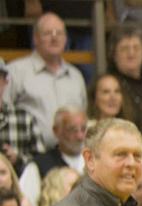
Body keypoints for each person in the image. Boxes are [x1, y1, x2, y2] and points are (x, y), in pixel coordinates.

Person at [7, 13, 86, 150]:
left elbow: (83, 116)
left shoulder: (75, 76)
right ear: (35, 38)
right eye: (47, 33)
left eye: (59, 33)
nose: (54, 38)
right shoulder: (15, 72)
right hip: (28, 155)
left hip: (70, 157)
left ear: (66, 39)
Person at [19, 105, 84, 206]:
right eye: (73, 130)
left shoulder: (96, 161)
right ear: (56, 131)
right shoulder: (39, 165)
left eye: (83, 129)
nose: (80, 136)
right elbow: (26, 205)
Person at [0, 57, 43, 174]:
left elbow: (42, 161)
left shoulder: (25, 118)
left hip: (18, 186)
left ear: (5, 82)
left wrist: (18, 159)